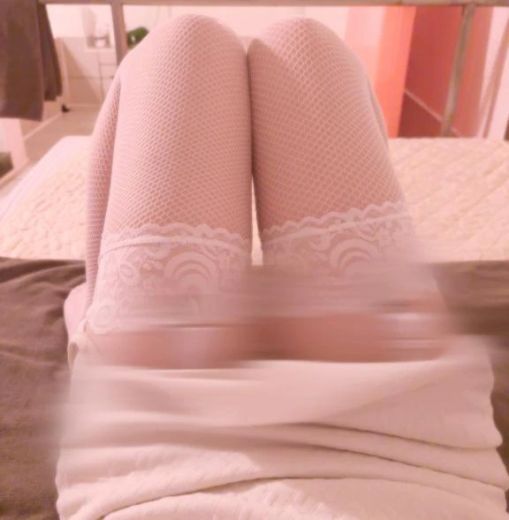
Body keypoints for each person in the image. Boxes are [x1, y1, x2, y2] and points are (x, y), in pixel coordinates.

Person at [57, 15, 509, 519]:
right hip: (405, 455)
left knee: (190, 46)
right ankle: (101, 309)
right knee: (295, 46)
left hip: (163, 464)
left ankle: (102, 309)